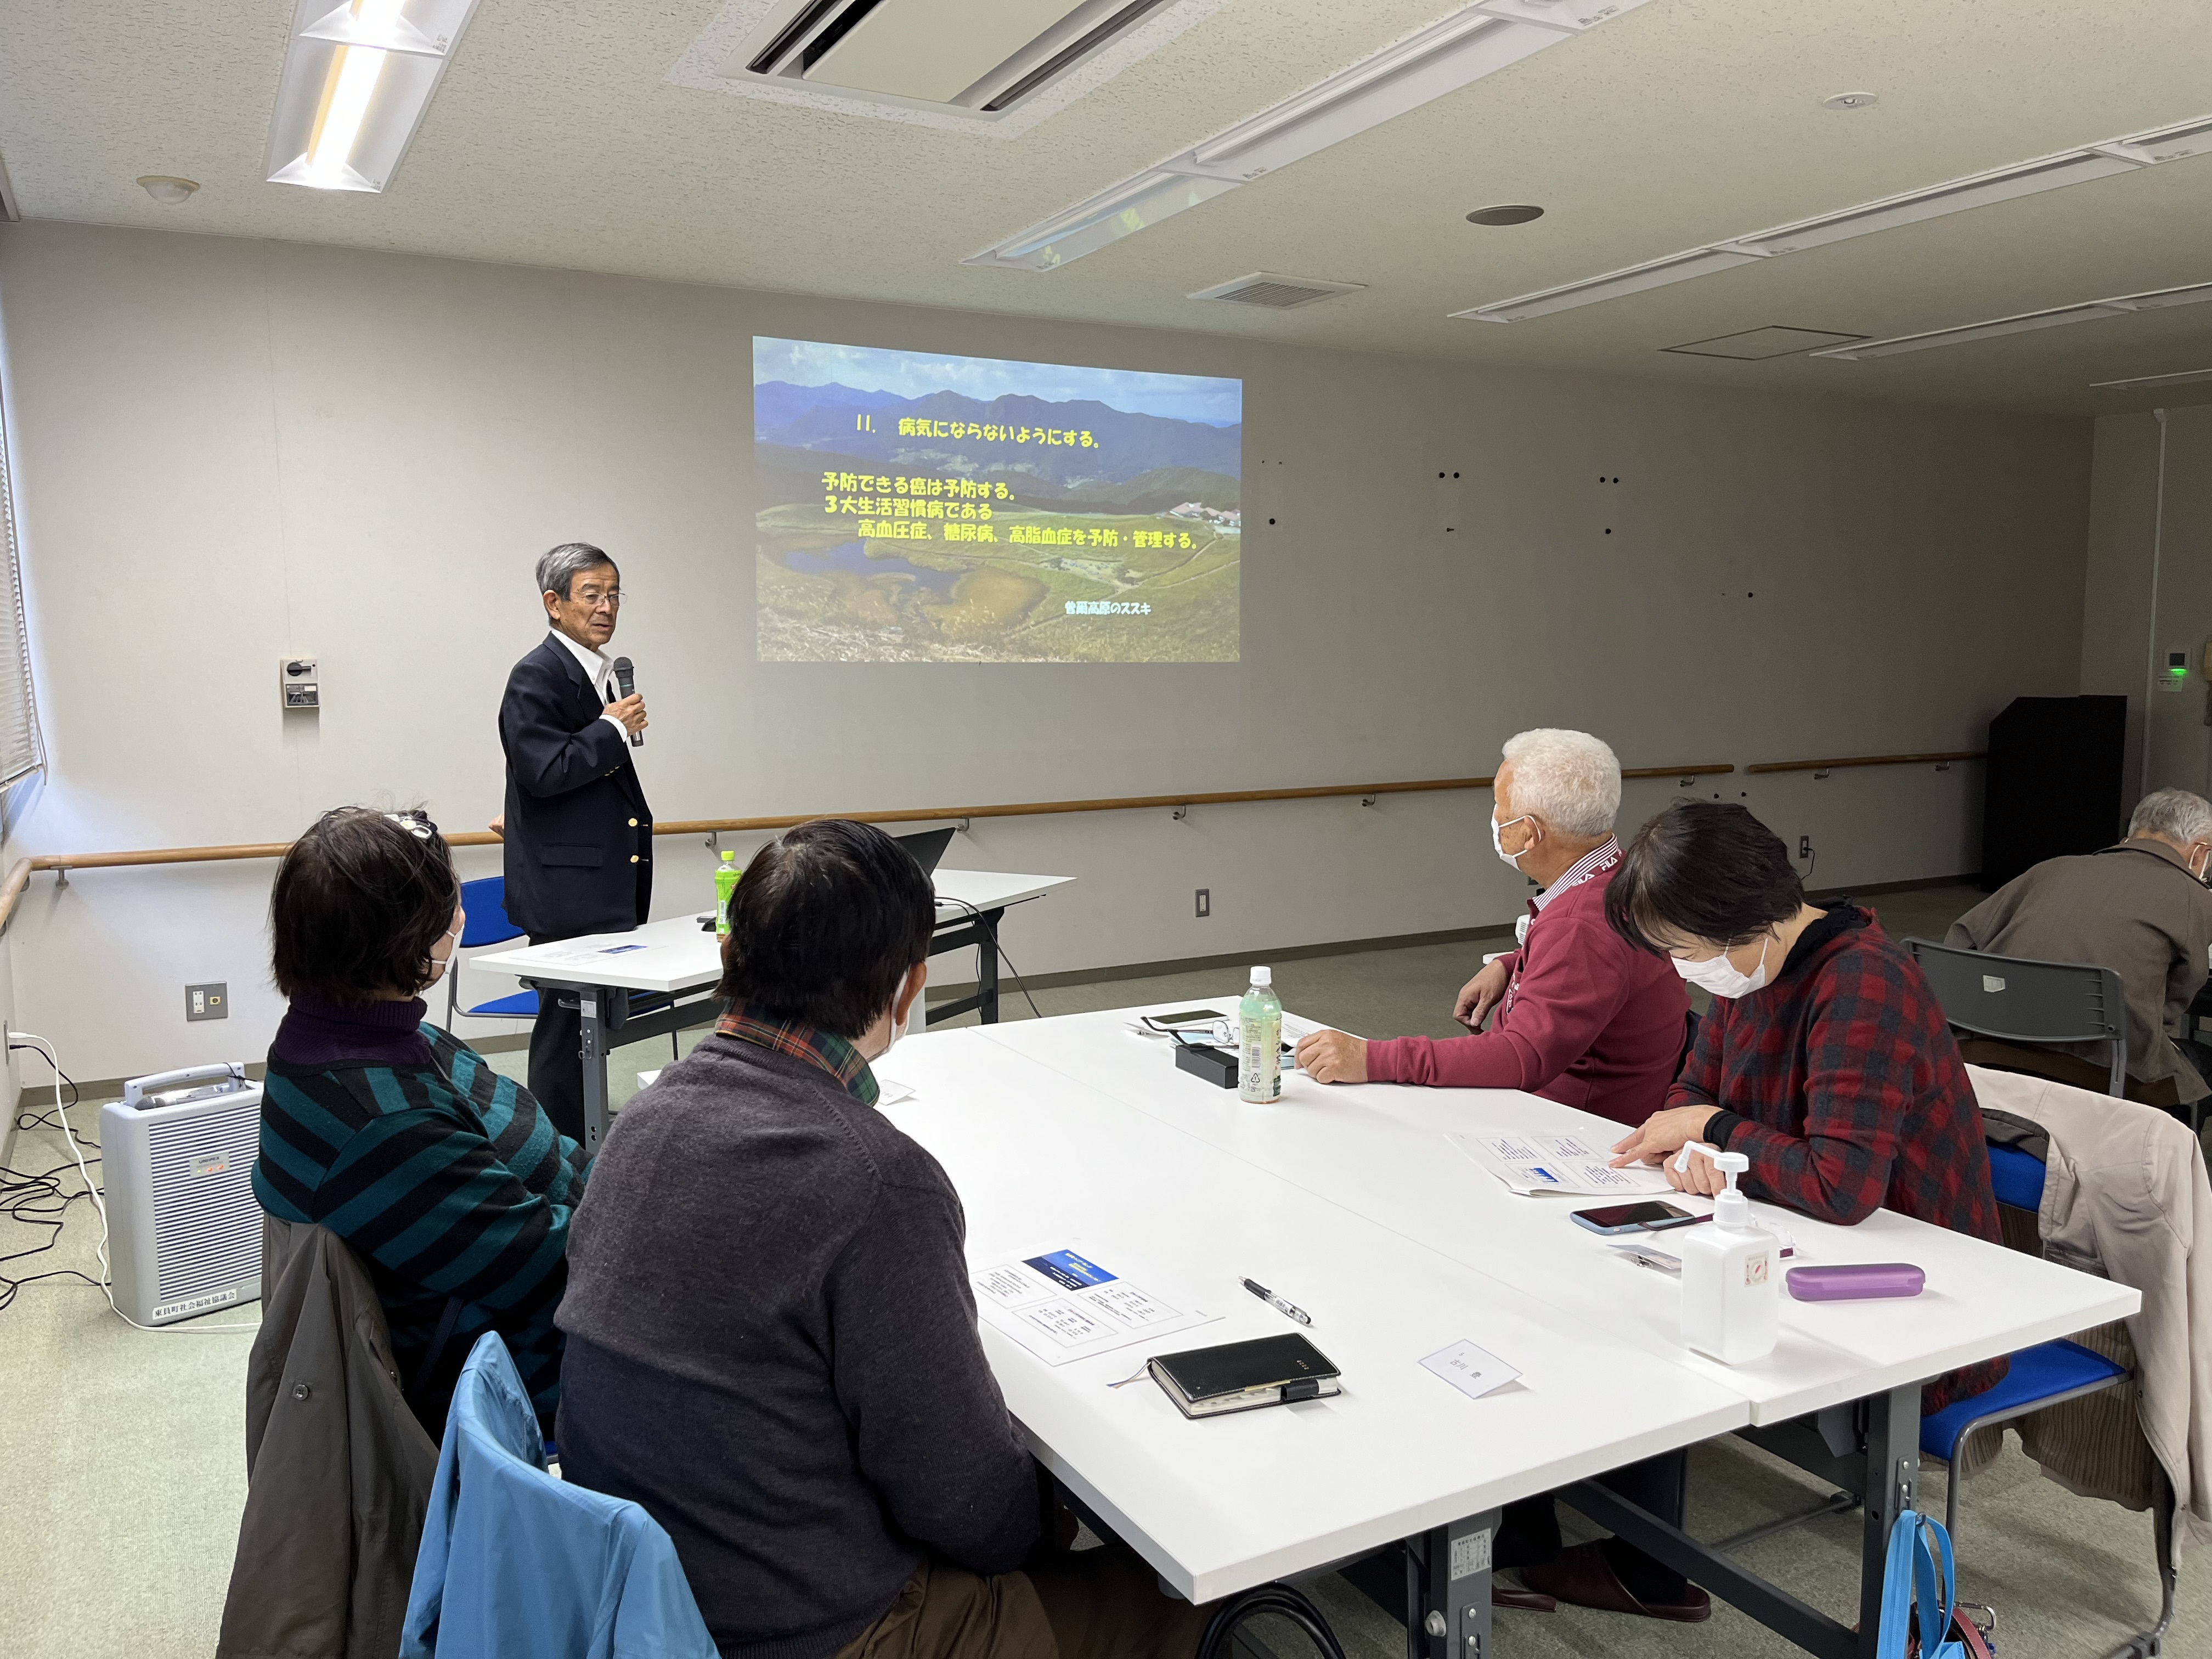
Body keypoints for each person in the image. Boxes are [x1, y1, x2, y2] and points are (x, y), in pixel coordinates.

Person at [556, 820, 1210, 1659]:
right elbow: (970, 1508)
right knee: (1194, 1594)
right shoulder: (871, 1181)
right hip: (814, 1628)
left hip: (648, 1595)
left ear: (730, 957)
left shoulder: (641, 1119)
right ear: (909, 990)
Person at [252, 806, 588, 1436]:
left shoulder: (386, 1035)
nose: (461, 915)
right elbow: (550, 1265)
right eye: (448, 905)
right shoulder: (376, 1120)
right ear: (401, 939)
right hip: (523, 1380)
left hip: (539, 1292)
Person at [1295, 729, 1688, 1125]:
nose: (1496, 818)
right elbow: (1599, 963)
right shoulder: (1618, 875)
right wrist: (1512, 964)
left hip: (1571, 1127)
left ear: (1531, 833)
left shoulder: (1578, 926)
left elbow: (1521, 1057)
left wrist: (1371, 1058)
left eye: (1500, 806)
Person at [498, 543, 652, 1144]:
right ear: (554, 604)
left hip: (596, 882)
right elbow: (542, 770)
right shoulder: (537, 675)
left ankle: (584, 1139)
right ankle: (558, 1152)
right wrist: (612, 728)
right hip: (568, 890)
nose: (607, 607)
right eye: (592, 595)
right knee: (565, 1032)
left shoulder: (595, 673)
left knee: (585, 1031)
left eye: (614, 595)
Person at [1944, 786, 2212, 1110]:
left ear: (2132, 834)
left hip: (1984, 1050)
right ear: (2200, 852)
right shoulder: (2195, 898)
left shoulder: (2051, 869)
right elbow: (2182, 991)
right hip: (2104, 1071)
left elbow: (1961, 941)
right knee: (2199, 1064)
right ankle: (2167, 1157)